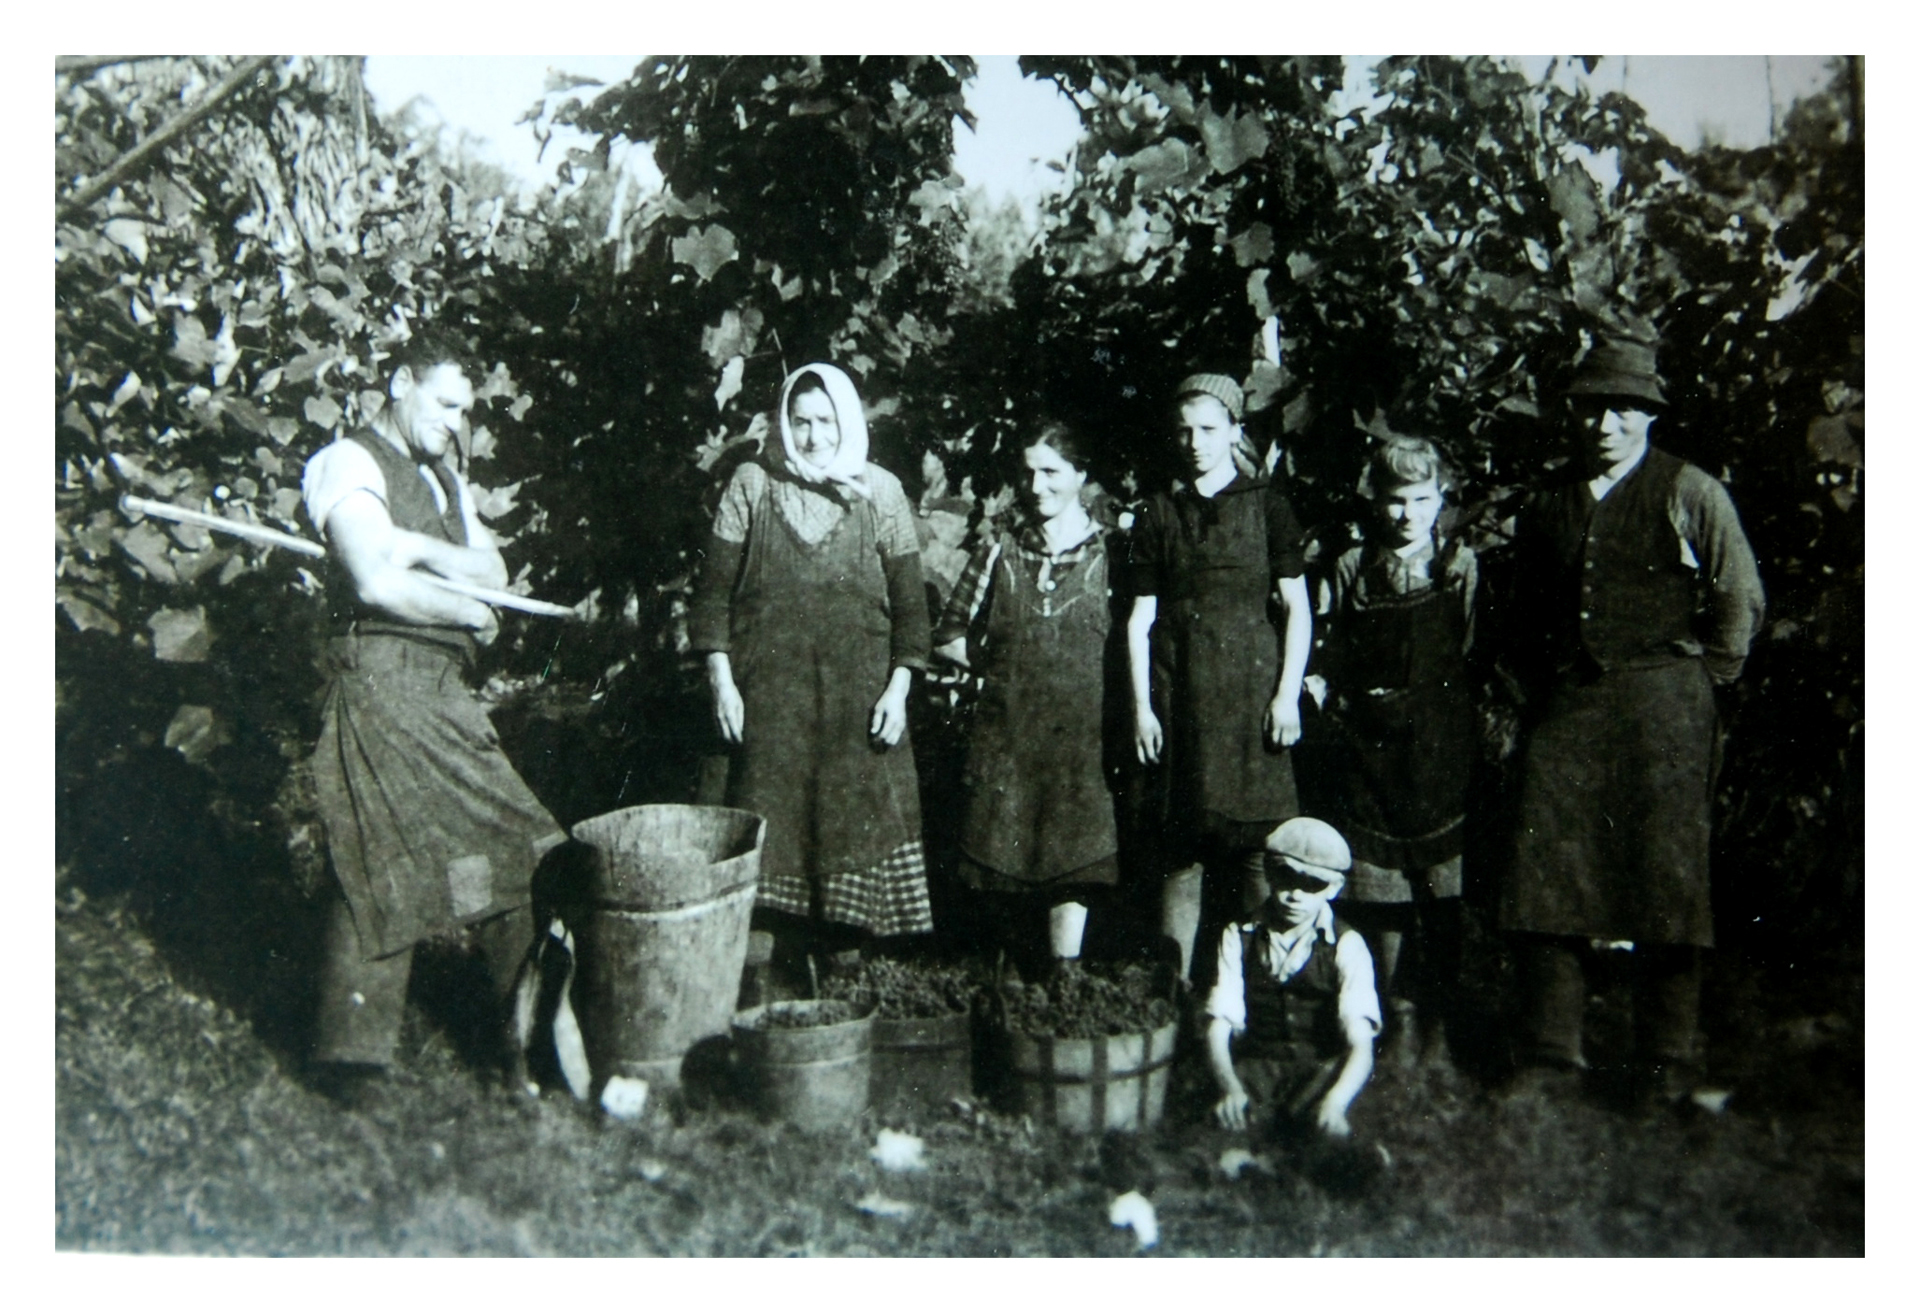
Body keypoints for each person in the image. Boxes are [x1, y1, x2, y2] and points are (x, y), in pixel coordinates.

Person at [1500, 330, 1765, 1111]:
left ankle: (1666, 1065)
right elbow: (1520, 612)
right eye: (1591, 408)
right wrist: (1535, 687)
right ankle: (1551, 1056)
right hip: (1568, 705)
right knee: (1544, 869)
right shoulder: (1545, 502)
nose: (1605, 424)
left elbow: (1738, 598)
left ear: (1649, 413)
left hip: (1664, 707)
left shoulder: (1691, 491)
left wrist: (1702, 679)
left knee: (1666, 880)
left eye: (1623, 408)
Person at [301, 329, 567, 1104]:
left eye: (465, 409)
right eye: (445, 402)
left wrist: (415, 545)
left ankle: (531, 1050)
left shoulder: (444, 477)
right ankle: (352, 1067)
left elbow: (496, 570)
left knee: (519, 845)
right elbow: (376, 582)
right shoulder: (347, 463)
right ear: (400, 382)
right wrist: (468, 610)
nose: (455, 421)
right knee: (376, 853)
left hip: (441, 684)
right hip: (379, 674)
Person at [688, 363, 935, 977]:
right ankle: (753, 1024)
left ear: (848, 422)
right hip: (767, 713)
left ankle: (842, 1019)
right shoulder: (751, 484)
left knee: (849, 883)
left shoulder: (880, 493)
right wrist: (721, 682)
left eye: (826, 421)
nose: (813, 436)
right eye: (800, 422)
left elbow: (912, 613)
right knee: (760, 890)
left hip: (853, 717)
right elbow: (712, 598)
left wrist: (899, 691)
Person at [1126, 373, 1311, 985]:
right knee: (1182, 854)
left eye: (1208, 429)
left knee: (1257, 850)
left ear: (1235, 431)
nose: (1194, 443)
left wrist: (1286, 695)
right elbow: (1140, 617)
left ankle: (1259, 995)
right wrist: (1142, 709)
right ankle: (1173, 995)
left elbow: (1298, 610)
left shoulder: (1267, 504)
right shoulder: (1156, 512)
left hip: (1251, 702)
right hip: (1179, 699)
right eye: (1183, 431)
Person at [1305, 436, 1476, 1068]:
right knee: (1382, 894)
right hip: (1370, 747)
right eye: (1395, 500)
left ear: (1442, 500)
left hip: (1437, 748)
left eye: (1422, 499)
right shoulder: (1353, 566)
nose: (1408, 514)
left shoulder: (1459, 565)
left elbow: (1471, 652)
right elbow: (1326, 651)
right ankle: (1391, 1016)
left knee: (1442, 888)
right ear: (1374, 501)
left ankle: (1439, 1016)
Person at [933, 422, 1121, 977]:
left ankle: (1065, 978)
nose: (1036, 486)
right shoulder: (1000, 552)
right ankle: (1005, 986)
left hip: (1081, 737)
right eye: (1028, 473)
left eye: (1051, 472)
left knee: (1074, 861)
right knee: (1001, 855)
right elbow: (947, 636)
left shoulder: (1113, 554)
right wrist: (1001, 675)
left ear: (1081, 476)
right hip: (1008, 733)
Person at [1205, 818, 1380, 1138]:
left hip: (1320, 1072)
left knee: (1326, 1142)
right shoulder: (1239, 935)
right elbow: (1219, 1027)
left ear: (1334, 888)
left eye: (1313, 884)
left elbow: (1360, 1043)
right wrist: (1229, 1088)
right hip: (1255, 1069)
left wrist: (1336, 1103)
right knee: (1222, 1141)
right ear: (1269, 874)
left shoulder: (1347, 944)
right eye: (1286, 878)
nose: (1296, 895)